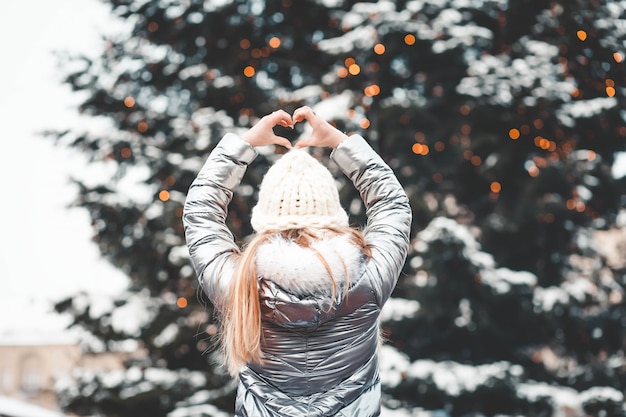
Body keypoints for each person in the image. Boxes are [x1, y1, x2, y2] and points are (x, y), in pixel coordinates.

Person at [183, 106, 412, 417]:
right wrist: (339, 142)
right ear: (331, 210)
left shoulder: (239, 283)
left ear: (267, 214)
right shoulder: (368, 276)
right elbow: (392, 205)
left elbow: (200, 214)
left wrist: (244, 143)